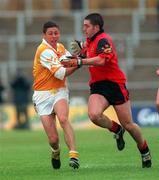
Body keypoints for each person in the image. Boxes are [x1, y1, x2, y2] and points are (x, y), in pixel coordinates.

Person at [61, 13, 152, 168]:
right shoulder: (90, 41)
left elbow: (101, 60)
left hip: (115, 85)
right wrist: (75, 54)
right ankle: (117, 130)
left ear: (96, 27)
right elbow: (85, 49)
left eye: (87, 26)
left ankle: (144, 150)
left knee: (129, 124)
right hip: (98, 86)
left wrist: (79, 61)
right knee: (94, 115)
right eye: (83, 25)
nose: (84, 29)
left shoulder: (103, 39)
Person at [32, 21, 79, 170]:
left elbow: (69, 60)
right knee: (53, 139)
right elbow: (60, 73)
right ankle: (55, 151)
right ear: (44, 35)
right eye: (50, 33)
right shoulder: (43, 50)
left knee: (64, 119)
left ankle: (73, 155)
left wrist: (79, 56)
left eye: (56, 33)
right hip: (42, 95)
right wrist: (79, 63)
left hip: (60, 90)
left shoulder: (60, 47)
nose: (54, 36)